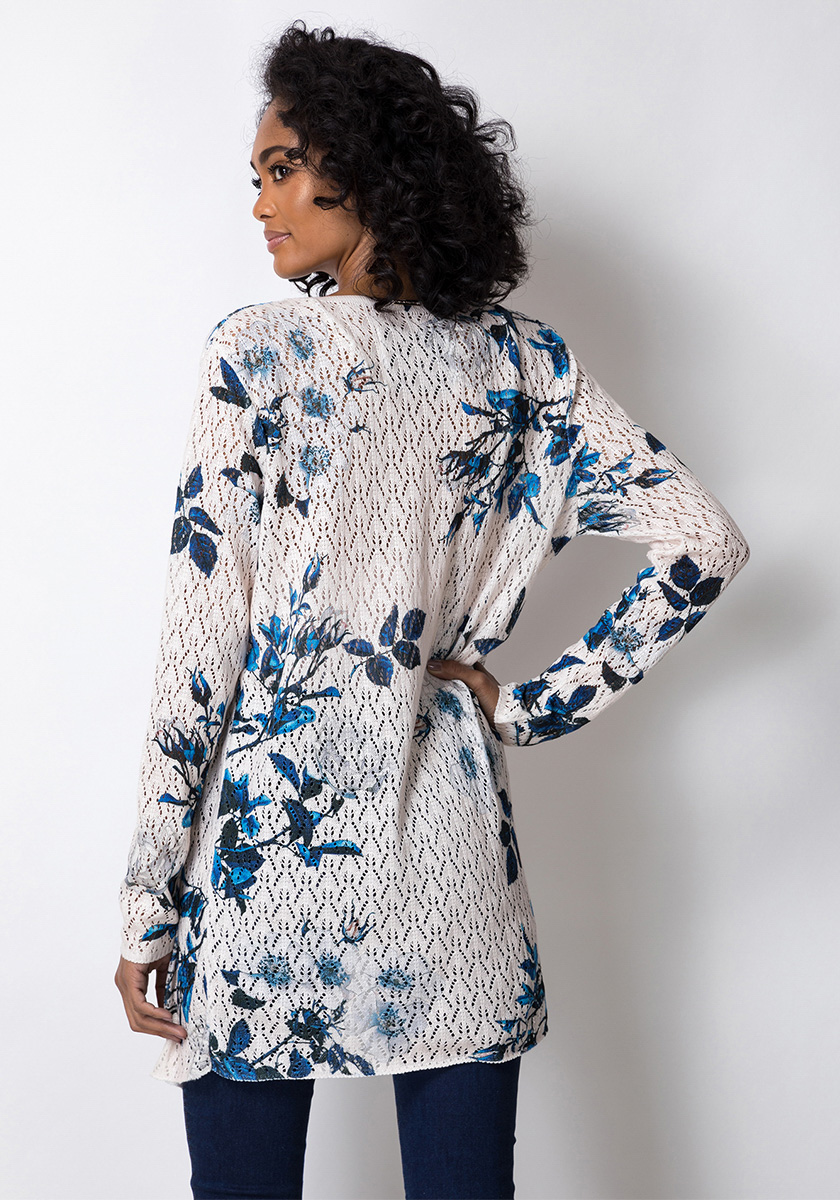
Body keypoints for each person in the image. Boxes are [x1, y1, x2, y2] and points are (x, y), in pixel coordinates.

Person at [113, 20, 750, 1200]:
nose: (261, 203)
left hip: (262, 866)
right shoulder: (527, 368)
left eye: (282, 169)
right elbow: (704, 541)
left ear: (364, 170)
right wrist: (528, 707)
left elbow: (200, 652)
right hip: (452, 865)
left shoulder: (257, 356)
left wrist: (148, 902)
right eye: (256, 177)